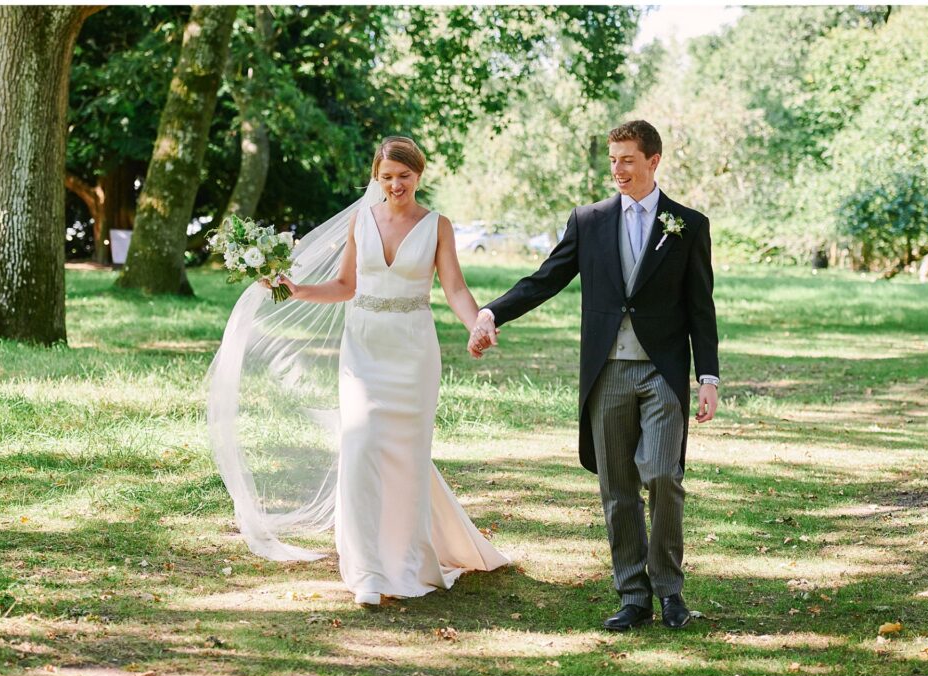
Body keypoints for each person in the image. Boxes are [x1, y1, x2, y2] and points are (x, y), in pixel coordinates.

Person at [468, 120, 719, 631]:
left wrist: (708, 376)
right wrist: (494, 312)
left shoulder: (688, 225)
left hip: (662, 373)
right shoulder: (589, 220)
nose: (618, 169)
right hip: (605, 372)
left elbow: (701, 307)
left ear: (653, 161)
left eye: (628, 159)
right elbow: (547, 278)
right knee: (617, 486)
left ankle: (671, 592)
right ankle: (633, 595)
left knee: (664, 477)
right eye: (612, 159)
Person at [256, 136, 509, 605]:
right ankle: (368, 570)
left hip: (413, 352)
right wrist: (296, 289)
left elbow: (454, 288)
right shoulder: (361, 220)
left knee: (406, 457)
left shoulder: (438, 226)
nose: (395, 185)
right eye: (387, 177)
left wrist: (477, 322)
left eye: (404, 177)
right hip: (364, 348)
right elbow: (345, 285)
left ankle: (406, 562)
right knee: (363, 442)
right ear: (377, 177)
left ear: (419, 176)